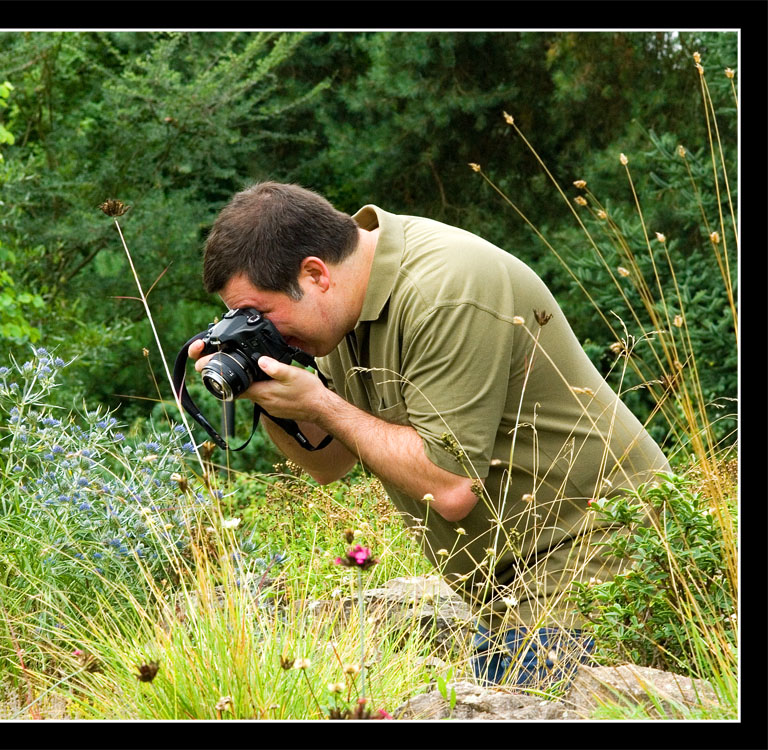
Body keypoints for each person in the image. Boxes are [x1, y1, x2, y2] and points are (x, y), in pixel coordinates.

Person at [190, 181, 670, 687]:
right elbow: (329, 464)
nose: (254, 329)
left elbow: (450, 486)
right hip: (505, 581)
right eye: (239, 318)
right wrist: (264, 386)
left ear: (315, 273)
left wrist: (319, 402)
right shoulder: (336, 314)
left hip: (599, 545)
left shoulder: (445, 291)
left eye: (258, 315)